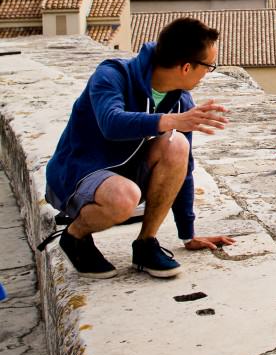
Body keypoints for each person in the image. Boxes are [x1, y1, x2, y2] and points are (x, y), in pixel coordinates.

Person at [43, 17, 234, 279]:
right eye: (209, 66)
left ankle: (146, 244)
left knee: (177, 144)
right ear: (187, 67)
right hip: (79, 172)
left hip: (125, 175)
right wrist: (172, 121)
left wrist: (188, 234)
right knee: (125, 197)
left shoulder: (180, 100)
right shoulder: (112, 75)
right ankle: (75, 236)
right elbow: (111, 123)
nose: (207, 73)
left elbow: (183, 168)